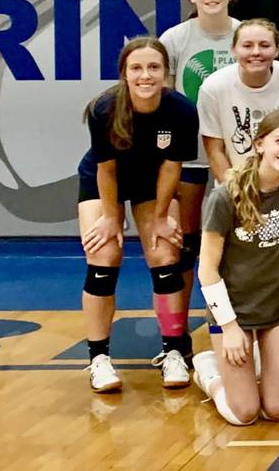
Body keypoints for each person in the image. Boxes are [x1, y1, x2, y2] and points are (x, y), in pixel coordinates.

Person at [77, 38, 198, 392]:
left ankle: (173, 350)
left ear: (165, 72)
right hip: (103, 182)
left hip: (152, 184)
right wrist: (112, 217)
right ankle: (99, 359)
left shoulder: (180, 110)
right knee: (104, 254)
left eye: (154, 67)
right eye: (137, 68)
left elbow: (170, 168)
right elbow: (106, 172)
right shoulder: (104, 108)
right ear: (124, 74)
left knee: (164, 253)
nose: (145, 75)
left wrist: (160, 217)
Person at [192, 110, 279, 425]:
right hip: (235, 313)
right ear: (260, 144)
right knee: (243, 414)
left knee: (277, 410)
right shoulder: (225, 197)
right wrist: (230, 327)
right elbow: (207, 269)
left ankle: (257, 362)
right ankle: (209, 371)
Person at [158, 0, 239, 311]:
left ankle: (229, 319)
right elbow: (164, 101)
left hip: (235, 153)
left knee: (235, 241)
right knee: (187, 243)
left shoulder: (244, 33)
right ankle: (179, 331)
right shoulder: (175, 39)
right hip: (188, 155)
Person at [197, 19, 279, 181]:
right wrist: (236, 193)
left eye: (264, 45)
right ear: (233, 50)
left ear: (277, 50)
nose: (256, 52)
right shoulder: (213, 87)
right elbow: (214, 151)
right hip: (238, 186)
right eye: (247, 46)